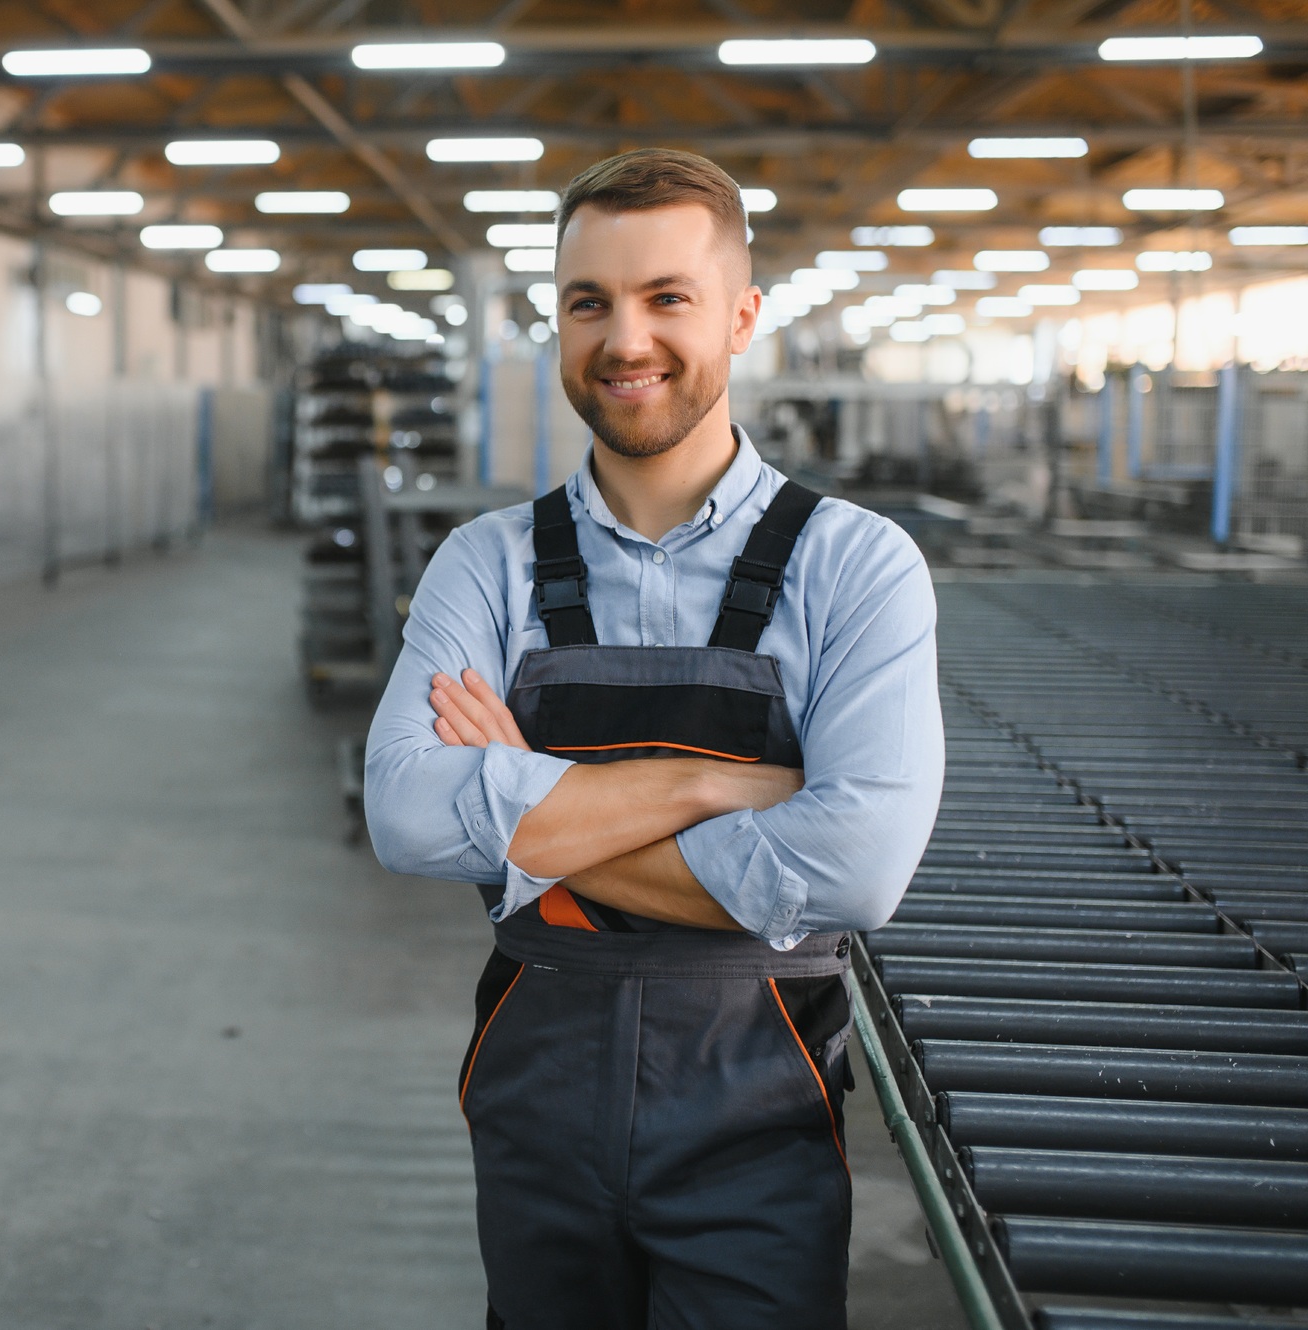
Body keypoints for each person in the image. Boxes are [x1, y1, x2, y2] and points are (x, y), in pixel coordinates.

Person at [362, 148, 945, 1329]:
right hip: (533, 1109)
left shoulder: (854, 566)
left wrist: (528, 810)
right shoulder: (487, 563)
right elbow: (405, 815)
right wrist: (713, 784)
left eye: (664, 297)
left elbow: (855, 866)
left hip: (754, 1118)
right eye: (588, 303)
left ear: (739, 319)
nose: (624, 338)